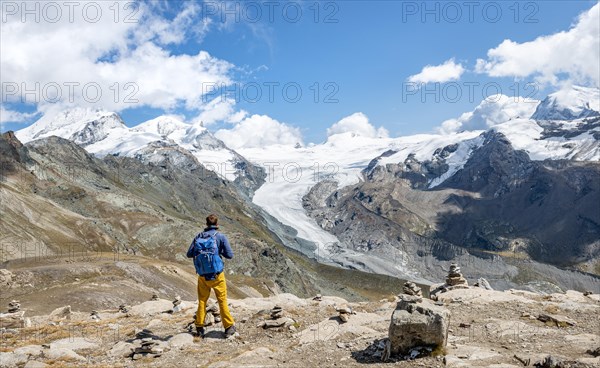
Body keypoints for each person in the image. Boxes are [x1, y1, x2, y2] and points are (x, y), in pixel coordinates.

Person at [186, 214, 236, 338]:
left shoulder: (199, 237)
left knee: (202, 301)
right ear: (217, 224)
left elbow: (189, 254)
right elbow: (230, 255)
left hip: (203, 276)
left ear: (206, 224)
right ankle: (228, 327)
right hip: (217, 275)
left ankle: (199, 326)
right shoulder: (220, 237)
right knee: (222, 300)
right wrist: (219, 252)